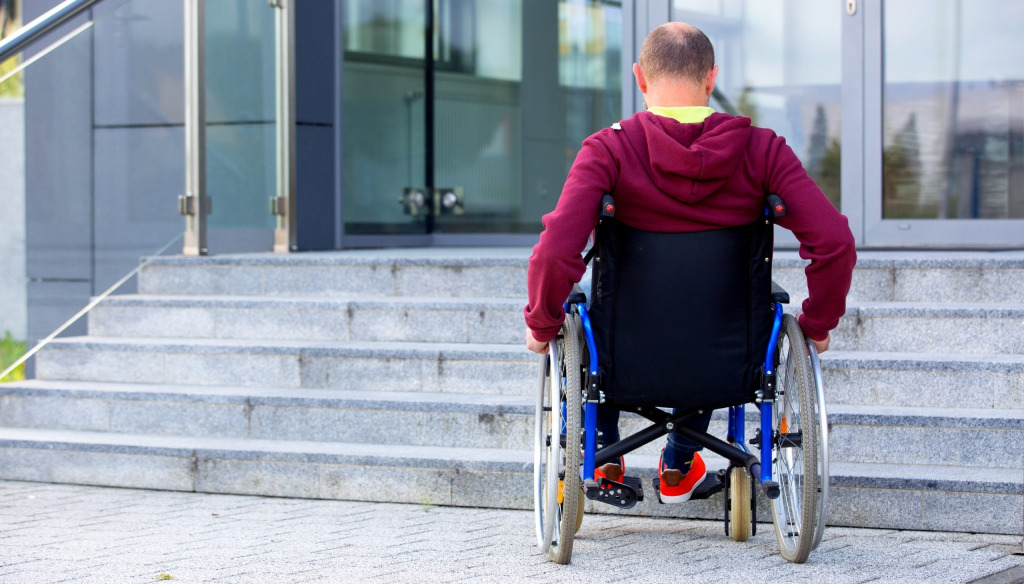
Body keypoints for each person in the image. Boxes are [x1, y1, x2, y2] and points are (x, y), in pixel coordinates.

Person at [523, 22, 856, 504]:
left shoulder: (609, 150)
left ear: (640, 78)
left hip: (621, 358)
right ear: (711, 77)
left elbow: (556, 251)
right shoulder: (763, 151)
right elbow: (834, 242)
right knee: (709, 314)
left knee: (586, 314)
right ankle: (680, 461)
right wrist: (819, 323)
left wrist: (541, 321)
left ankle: (603, 447)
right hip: (727, 359)